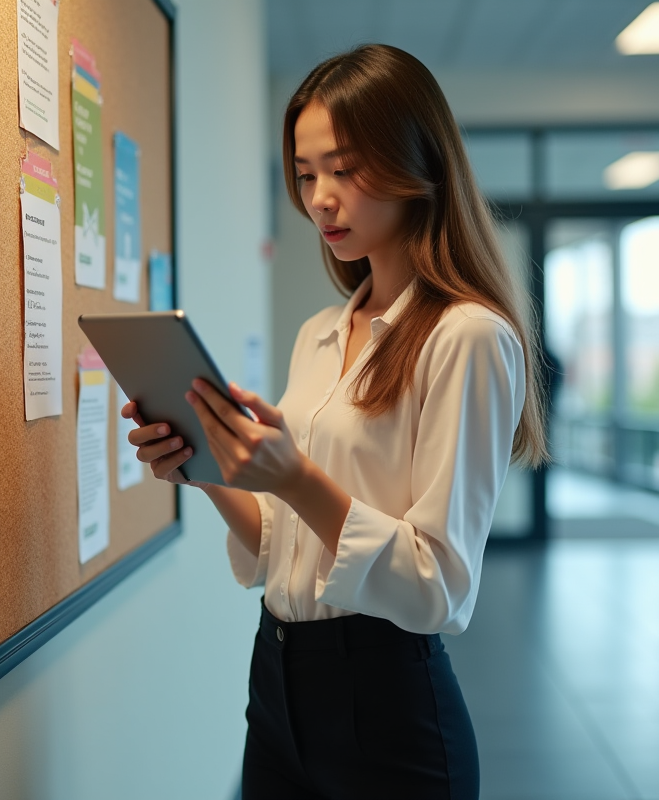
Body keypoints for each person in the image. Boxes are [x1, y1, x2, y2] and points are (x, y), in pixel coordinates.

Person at [122, 44, 548, 800]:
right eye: (306, 173)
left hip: (388, 705)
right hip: (279, 682)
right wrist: (206, 466)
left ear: (416, 162)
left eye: (344, 168)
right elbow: (276, 545)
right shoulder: (322, 333)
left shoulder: (468, 337)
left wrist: (294, 475)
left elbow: (441, 588)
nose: (320, 197)